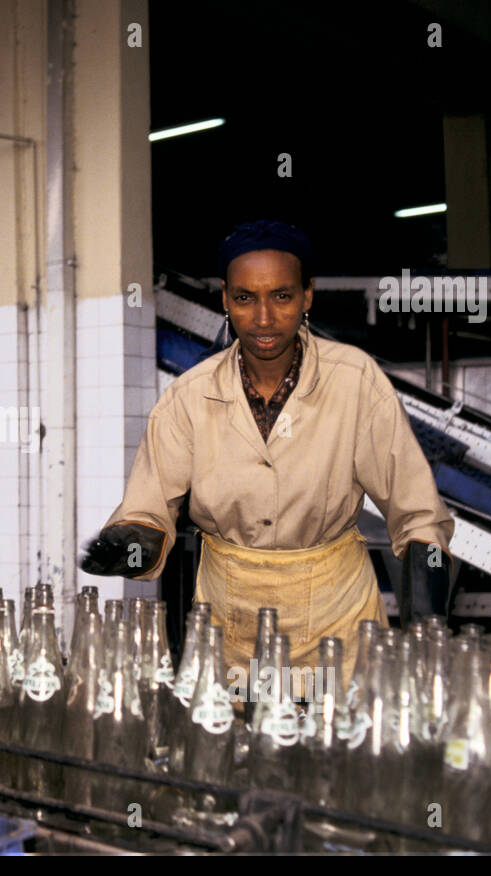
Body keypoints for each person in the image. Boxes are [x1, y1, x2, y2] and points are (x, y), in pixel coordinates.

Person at [82, 220, 453, 689]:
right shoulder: (188, 398)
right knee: (237, 745)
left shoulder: (355, 382)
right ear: (224, 299)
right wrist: (133, 546)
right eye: (244, 298)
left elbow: (418, 515)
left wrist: (426, 618)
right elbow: (152, 508)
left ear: (308, 296)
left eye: (281, 296)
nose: (263, 318)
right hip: (231, 628)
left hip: (337, 624)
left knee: (340, 746)